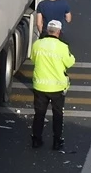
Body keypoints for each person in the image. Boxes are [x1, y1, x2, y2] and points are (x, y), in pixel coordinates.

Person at [29, 20, 75, 151]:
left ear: (47, 30)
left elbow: (33, 58)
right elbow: (70, 62)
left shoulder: (37, 44)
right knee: (57, 115)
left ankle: (36, 140)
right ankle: (57, 141)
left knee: (39, 114)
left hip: (40, 86)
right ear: (59, 32)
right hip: (57, 87)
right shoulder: (62, 47)